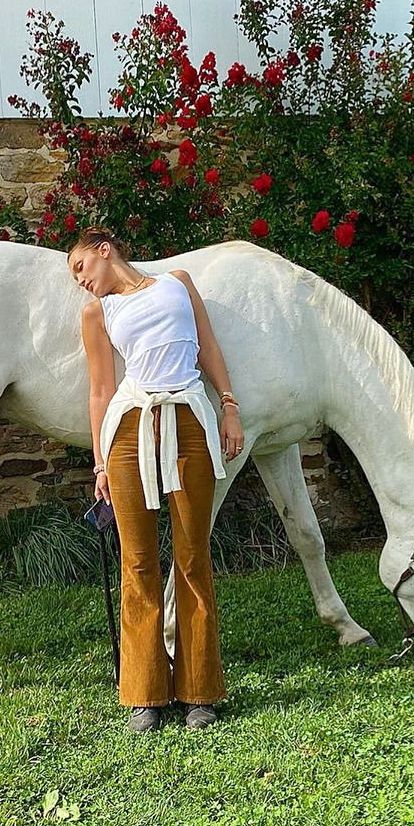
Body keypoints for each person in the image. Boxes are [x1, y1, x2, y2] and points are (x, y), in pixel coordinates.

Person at [67, 227, 244, 732]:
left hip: (188, 418)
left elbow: (207, 348)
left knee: (193, 557)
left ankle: (199, 692)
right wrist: (100, 461)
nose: (80, 280)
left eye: (80, 266)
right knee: (138, 561)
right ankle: (144, 692)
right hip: (130, 429)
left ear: (104, 249)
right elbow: (100, 390)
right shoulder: (96, 313)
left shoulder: (177, 283)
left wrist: (229, 406)